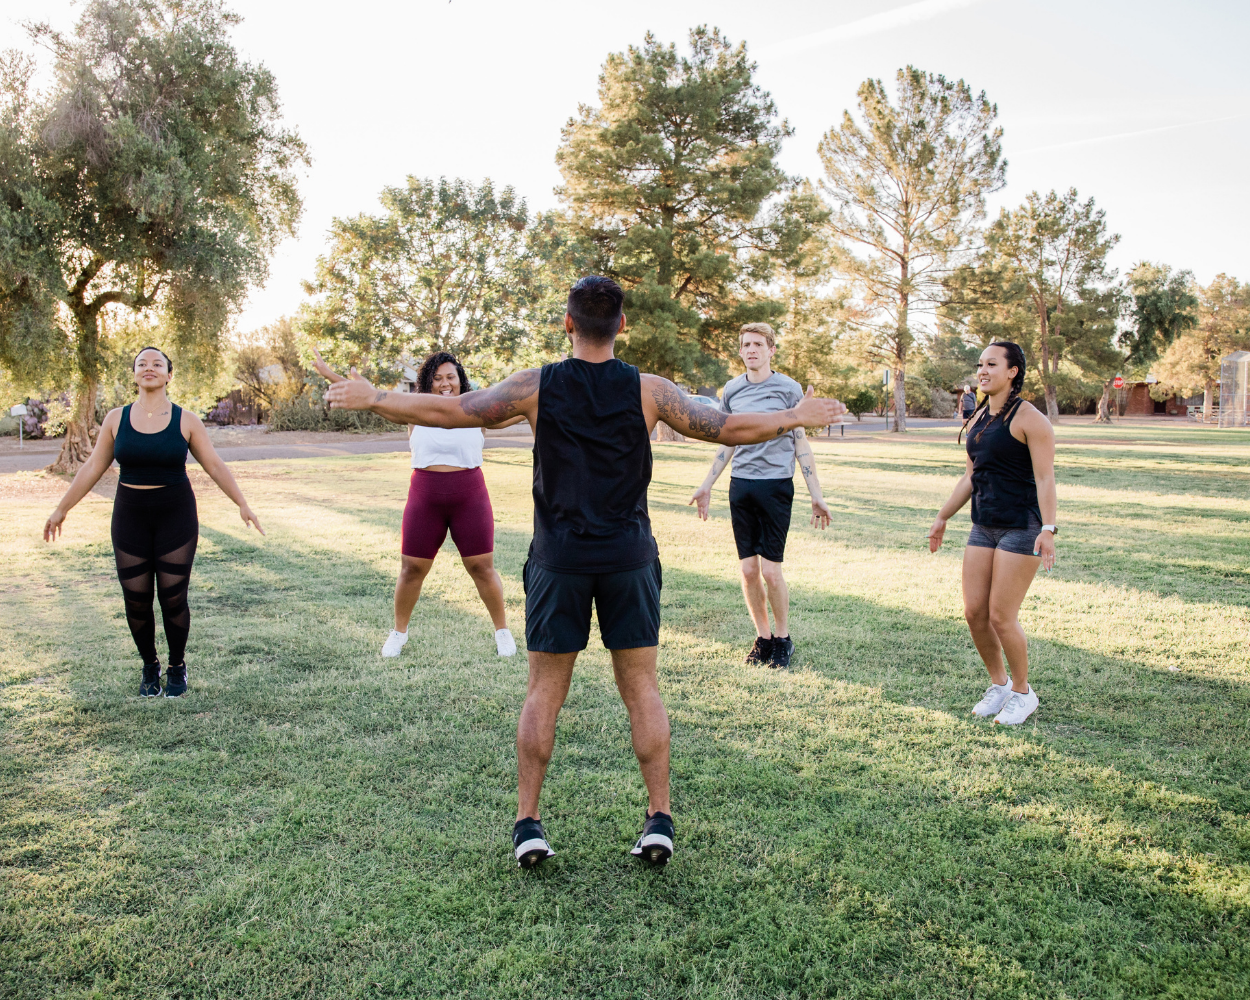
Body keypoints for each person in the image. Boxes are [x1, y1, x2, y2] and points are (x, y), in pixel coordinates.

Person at [317, 276, 846, 868]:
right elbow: (724, 428)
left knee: (545, 689)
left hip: (559, 562)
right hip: (629, 560)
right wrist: (794, 415)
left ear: (568, 324)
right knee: (641, 686)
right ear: (621, 325)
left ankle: (528, 826)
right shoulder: (650, 391)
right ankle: (660, 818)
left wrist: (374, 398)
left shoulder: (534, 387)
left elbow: (453, 410)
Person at [43, 347, 264, 697]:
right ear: (134, 375)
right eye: (142, 364)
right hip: (129, 514)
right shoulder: (116, 419)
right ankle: (150, 665)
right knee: (136, 598)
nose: (149, 368)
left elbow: (215, 465)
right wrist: (61, 508)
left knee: (173, 598)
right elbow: (92, 467)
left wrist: (242, 503)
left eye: (157, 364)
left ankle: (177, 665)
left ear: (168, 375)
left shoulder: (187, 420)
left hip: (175, 515)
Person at [346, 350, 517, 659]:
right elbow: (377, 401)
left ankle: (502, 632)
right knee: (411, 568)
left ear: (460, 380)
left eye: (450, 377)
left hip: (470, 494)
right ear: (428, 383)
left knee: (482, 566)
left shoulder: (476, 409)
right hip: (425, 495)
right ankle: (398, 633)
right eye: (437, 379)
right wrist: (357, 387)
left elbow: (516, 410)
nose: (444, 384)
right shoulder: (415, 410)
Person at [926, 342, 1056, 726]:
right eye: (980, 364)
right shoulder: (978, 419)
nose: (982, 370)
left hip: (1022, 525)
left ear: (1013, 371)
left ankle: (1022, 692)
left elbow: (1046, 478)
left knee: (1001, 615)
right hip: (983, 524)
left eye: (992, 364)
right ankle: (999, 685)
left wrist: (1049, 529)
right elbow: (970, 477)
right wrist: (942, 516)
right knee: (974, 613)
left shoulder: (1030, 418)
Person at [688, 323, 831, 669]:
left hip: (776, 485)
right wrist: (706, 483)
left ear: (771, 350)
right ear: (740, 351)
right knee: (748, 570)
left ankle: (783, 639)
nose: (751, 349)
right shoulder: (732, 390)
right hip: (742, 485)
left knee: (770, 570)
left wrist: (817, 495)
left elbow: (800, 442)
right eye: (745, 345)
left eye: (758, 344)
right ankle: (763, 638)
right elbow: (728, 442)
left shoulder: (788, 388)